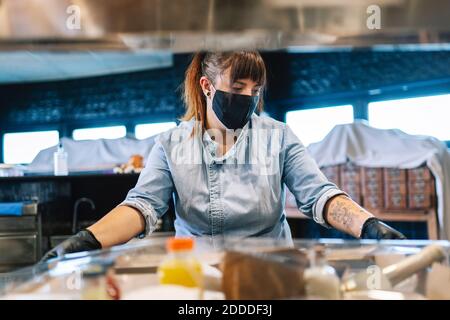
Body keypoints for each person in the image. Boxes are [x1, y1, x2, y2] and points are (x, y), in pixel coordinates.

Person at [42, 51, 405, 261]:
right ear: (208, 85)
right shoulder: (171, 144)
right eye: (238, 87)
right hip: (200, 276)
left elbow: (319, 195)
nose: (248, 97)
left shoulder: (277, 138)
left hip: (271, 273)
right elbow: (141, 207)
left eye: (255, 89)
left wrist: (369, 225)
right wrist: (86, 240)